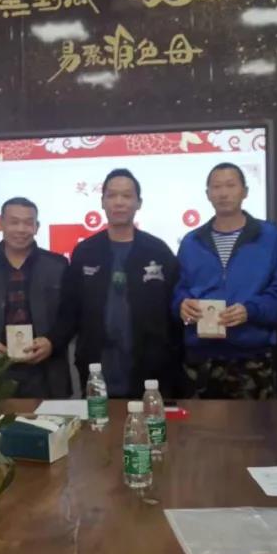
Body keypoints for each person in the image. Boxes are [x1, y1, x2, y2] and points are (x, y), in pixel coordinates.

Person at [52, 168, 182, 398]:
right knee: (99, 421)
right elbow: (69, 311)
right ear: (102, 202)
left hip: (151, 370)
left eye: (127, 196)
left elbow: (175, 311)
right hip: (96, 367)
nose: (119, 202)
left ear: (138, 203)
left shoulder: (158, 251)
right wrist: (51, 341)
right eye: (112, 195)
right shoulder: (85, 251)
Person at [173, 162, 277, 400]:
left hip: (252, 356)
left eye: (230, 185)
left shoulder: (269, 237)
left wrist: (251, 310)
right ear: (208, 194)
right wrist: (181, 305)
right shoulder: (191, 241)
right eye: (216, 187)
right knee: (200, 424)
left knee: (255, 423)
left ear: (245, 191)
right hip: (201, 358)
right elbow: (180, 288)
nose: (223, 193)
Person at [0, 197, 70, 398]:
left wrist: (52, 342)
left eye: (28, 223)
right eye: (14, 222)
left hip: (47, 372)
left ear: (37, 227)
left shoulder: (58, 265)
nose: (21, 229)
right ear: (0, 224)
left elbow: (70, 315)